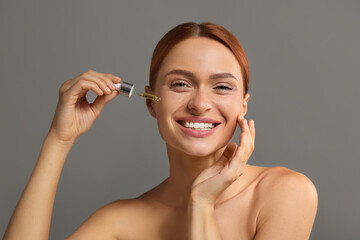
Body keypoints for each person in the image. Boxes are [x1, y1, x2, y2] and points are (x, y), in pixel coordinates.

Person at [3, 22, 318, 240]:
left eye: (222, 87)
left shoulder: (284, 193)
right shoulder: (120, 221)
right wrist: (59, 140)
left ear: (243, 105)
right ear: (151, 102)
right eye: (180, 84)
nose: (200, 104)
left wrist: (202, 205)